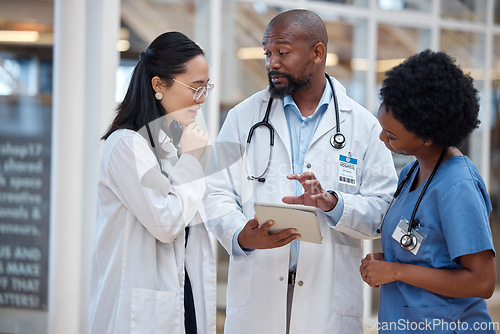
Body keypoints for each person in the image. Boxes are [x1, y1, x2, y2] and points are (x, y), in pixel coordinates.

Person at [204, 9, 398, 334]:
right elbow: (215, 191)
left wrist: (334, 204)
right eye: (268, 52)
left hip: (327, 304)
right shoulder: (243, 117)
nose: (271, 63)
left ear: (317, 53)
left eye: (283, 52)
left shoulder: (362, 126)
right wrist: (240, 233)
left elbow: (384, 209)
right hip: (258, 298)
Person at [360, 50, 496, 334]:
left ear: (427, 137)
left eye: (392, 135)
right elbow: (426, 254)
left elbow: (482, 282)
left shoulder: (458, 186)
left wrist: (396, 271)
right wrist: (388, 263)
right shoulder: (411, 172)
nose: (382, 139)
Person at [89, 31, 216, 334]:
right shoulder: (126, 145)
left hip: (184, 294)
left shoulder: (173, 143)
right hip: (140, 310)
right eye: (195, 88)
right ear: (159, 85)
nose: (201, 99)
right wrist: (191, 161)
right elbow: (166, 223)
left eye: (206, 89)